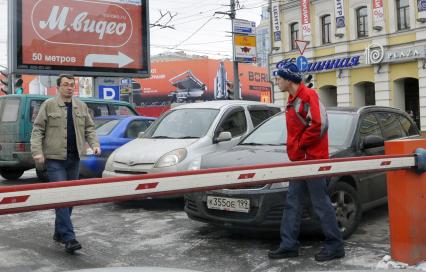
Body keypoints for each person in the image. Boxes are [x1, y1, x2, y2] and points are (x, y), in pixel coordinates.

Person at [268, 63, 344, 262]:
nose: (277, 81)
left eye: (279, 78)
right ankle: (288, 245)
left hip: (313, 161)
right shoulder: (293, 98)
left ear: (288, 80)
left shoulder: (308, 95)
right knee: (292, 204)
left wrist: (300, 145)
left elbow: (320, 124)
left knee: (321, 205)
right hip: (300, 161)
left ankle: (335, 245)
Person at [31, 74, 101, 254]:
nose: (69, 87)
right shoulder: (49, 105)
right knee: (63, 195)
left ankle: (58, 232)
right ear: (58, 87)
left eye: (72, 85)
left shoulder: (81, 105)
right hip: (55, 159)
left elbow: (89, 128)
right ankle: (69, 238)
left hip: (74, 158)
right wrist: (37, 152)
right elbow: (38, 129)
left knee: (70, 198)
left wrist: (95, 145)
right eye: (66, 85)